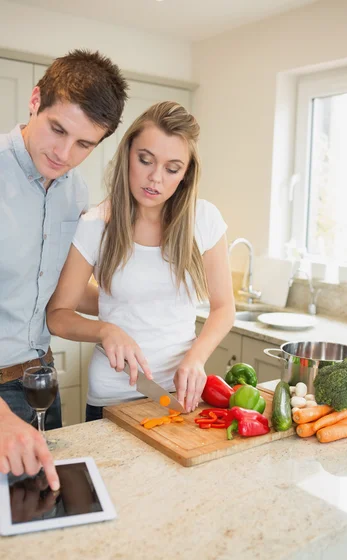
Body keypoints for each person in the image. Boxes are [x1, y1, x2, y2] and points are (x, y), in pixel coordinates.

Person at [47, 101, 235, 417]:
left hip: (177, 395)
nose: (155, 178)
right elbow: (58, 313)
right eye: (145, 160)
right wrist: (105, 330)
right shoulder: (96, 225)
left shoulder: (203, 219)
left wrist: (196, 358)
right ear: (128, 154)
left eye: (172, 168)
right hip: (112, 398)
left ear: (185, 174)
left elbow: (224, 307)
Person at [0, 49, 128, 489]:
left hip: (39, 382)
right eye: (58, 130)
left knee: (42, 518)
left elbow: (59, 289)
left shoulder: (76, 192)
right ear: (36, 99)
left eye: (84, 145)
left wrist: (128, 307)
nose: (64, 154)